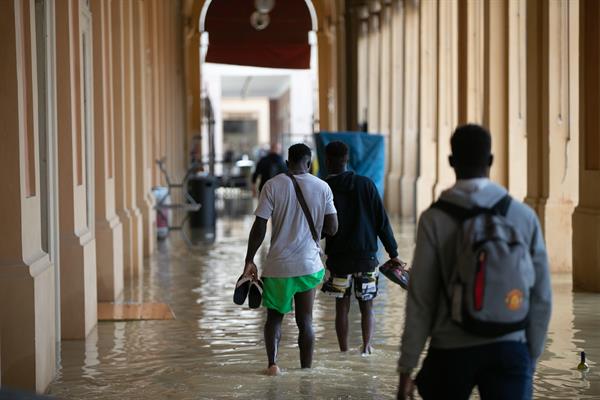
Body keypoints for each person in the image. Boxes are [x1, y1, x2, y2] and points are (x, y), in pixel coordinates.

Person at [397, 124, 552, 400]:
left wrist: (407, 367)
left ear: (451, 162)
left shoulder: (433, 219)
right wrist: (529, 355)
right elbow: (541, 296)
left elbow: (421, 299)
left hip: (450, 351)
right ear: (490, 161)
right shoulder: (522, 216)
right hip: (509, 345)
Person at [242, 143, 338, 376]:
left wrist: (249, 260)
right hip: (308, 265)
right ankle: (306, 371)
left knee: (274, 319)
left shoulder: (272, 185)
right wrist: (312, 236)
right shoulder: (323, 187)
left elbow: (260, 225)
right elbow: (333, 227)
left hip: (278, 267)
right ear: (309, 162)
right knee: (306, 321)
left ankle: (273, 364)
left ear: (287, 163)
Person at [321, 141, 405, 355]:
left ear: (327, 160)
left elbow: (320, 227)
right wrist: (393, 253)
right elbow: (381, 221)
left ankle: (343, 351)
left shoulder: (324, 188)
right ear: (347, 159)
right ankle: (366, 348)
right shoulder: (366, 184)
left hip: (339, 259)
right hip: (366, 257)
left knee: (342, 305)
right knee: (367, 305)